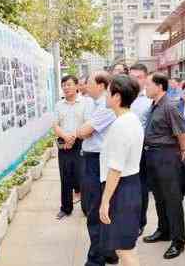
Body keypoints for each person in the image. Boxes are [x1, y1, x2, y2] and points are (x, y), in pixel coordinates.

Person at [142, 73, 185, 260]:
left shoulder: (169, 106)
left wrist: (182, 152)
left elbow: (182, 133)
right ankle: (164, 230)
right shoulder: (154, 105)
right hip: (152, 155)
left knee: (172, 199)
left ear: (159, 86)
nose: (145, 88)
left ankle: (178, 241)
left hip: (166, 156)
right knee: (160, 198)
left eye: (148, 85)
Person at [99, 75, 144, 266]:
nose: (105, 96)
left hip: (121, 189)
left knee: (126, 251)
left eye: (108, 93)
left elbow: (115, 168)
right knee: (122, 246)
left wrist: (105, 201)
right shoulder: (132, 119)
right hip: (129, 186)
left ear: (117, 97)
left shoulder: (121, 124)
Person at [76, 71, 118, 266]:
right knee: (97, 208)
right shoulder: (91, 103)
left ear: (101, 85)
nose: (85, 86)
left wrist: (81, 131)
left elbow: (83, 131)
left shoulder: (106, 106)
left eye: (89, 83)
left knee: (95, 211)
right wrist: (82, 130)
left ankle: (95, 260)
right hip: (92, 159)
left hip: (98, 160)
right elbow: (82, 129)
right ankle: (108, 252)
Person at [54, 75, 85, 220]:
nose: (66, 88)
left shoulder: (85, 103)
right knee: (65, 176)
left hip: (81, 142)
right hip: (64, 143)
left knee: (82, 176)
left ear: (77, 86)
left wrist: (73, 137)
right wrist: (66, 138)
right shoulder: (59, 105)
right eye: (64, 85)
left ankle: (86, 208)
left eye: (69, 84)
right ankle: (66, 208)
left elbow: (87, 124)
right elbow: (55, 125)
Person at [129, 63, 152, 235]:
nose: (135, 81)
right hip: (123, 150)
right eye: (132, 77)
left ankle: (139, 222)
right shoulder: (123, 96)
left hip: (142, 151)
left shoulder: (151, 99)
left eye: (139, 77)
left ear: (145, 78)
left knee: (141, 187)